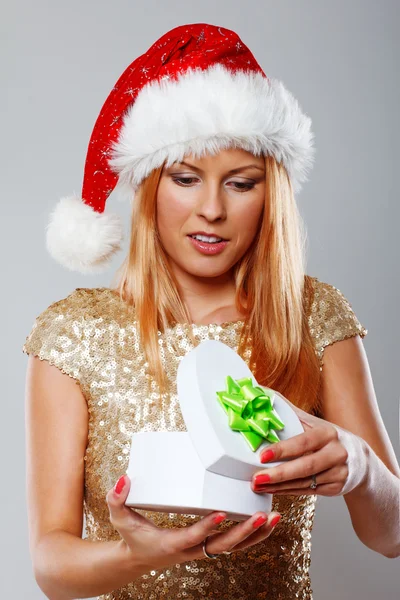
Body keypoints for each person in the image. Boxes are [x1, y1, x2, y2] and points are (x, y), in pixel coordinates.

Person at [22, 22, 400, 600]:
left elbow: (390, 537)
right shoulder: (75, 333)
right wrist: (135, 556)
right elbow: (52, 563)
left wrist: (362, 465)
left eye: (241, 183)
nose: (212, 210)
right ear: (149, 186)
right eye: (186, 178)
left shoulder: (314, 316)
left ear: (269, 194)